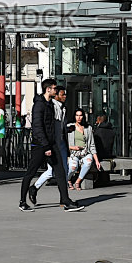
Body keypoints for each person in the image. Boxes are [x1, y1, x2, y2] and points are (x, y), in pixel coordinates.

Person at [19, 79, 81, 211]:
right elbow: (38, 127)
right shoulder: (39, 105)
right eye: (54, 88)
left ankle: (65, 200)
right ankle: (22, 201)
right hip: (40, 146)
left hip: (51, 144)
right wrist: (46, 146)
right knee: (30, 172)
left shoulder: (49, 105)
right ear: (48, 89)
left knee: (60, 171)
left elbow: (51, 126)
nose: (55, 90)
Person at [65, 108, 99, 190]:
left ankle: (78, 181)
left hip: (85, 152)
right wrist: (73, 147)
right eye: (77, 115)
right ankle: (68, 180)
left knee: (88, 162)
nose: (79, 117)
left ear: (83, 116)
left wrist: (97, 160)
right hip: (74, 152)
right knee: (73, 167)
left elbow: (92, 145)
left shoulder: (88, 128)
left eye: (80, 115)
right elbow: (63, 142)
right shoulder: (70, 127)